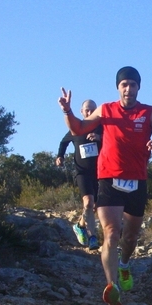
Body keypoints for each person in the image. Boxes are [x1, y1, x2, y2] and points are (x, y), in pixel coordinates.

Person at [58, 66, 152, 305]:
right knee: (111, 233)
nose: (128, 89)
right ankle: (112, 286)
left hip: (137, 181)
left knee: (130, 237)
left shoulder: (149, 113)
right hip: (109, 179)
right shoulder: (106, 109)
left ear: (138, 87)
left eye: (133, 84)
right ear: (118, 87)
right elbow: (78, 129)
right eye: (124, 84)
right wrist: (68, 110)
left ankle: (124, 264)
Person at [56, 99, 102, 250]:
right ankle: (93, 238)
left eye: (92, 110)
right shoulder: (75, 129)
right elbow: (64, 142)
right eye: (87, 110)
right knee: (88, 203)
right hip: (82, 172)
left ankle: (80, 226)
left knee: (94, 207)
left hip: (99, 172)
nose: (89, 112)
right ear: (82, 112)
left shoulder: (102, 128)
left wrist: (100, 138)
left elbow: (114, 142)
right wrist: (60, 156)